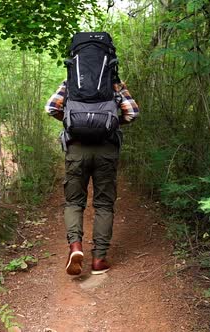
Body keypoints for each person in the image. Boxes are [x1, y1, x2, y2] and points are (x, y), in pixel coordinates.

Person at [45, 79, 139, 275]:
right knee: (104, 204)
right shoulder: (114, 83)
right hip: (107, 148)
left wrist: (71, 122)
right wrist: (112, 122)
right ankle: (98, 259)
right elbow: (132, 113)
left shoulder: (71, 82)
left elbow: (51, 108)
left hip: (76, 148)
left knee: (74, 203)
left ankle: (76, 247)